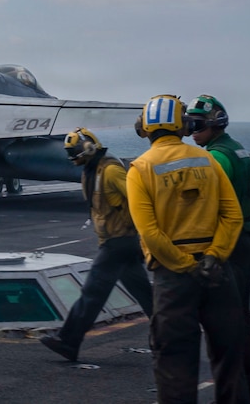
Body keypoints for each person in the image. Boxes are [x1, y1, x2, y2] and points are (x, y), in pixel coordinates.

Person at [126, 94, 249, 404]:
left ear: (144, 128)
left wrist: (185, 265)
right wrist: (213, 257)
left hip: (173, 277)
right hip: (218, 272)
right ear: (182, 125)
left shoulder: (140, 169)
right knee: (230, 359)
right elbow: (233, 216)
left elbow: (150, 233)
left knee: (174, 365)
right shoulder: (208, 159)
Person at [40, 127, 153, 361]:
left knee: (92, 293)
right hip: (120, 242)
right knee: (145, 294)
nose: (74, 159)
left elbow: (137, 199)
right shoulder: (91, 170)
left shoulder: (110, 171)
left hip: (119, 242)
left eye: (76, 153)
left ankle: (68, 341)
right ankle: (170, 335)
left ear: (89, 147)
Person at [187, 94, 250, 403]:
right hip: (245, 240)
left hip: (228, 245)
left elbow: (208, 205)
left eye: (197, 124)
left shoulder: (216, 157)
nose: (192, 130)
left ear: (215, 123)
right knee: (240, 320)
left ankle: (238, 394)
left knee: (227, 328)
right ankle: (249, 390)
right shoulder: (237, 150)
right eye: (189, 124)